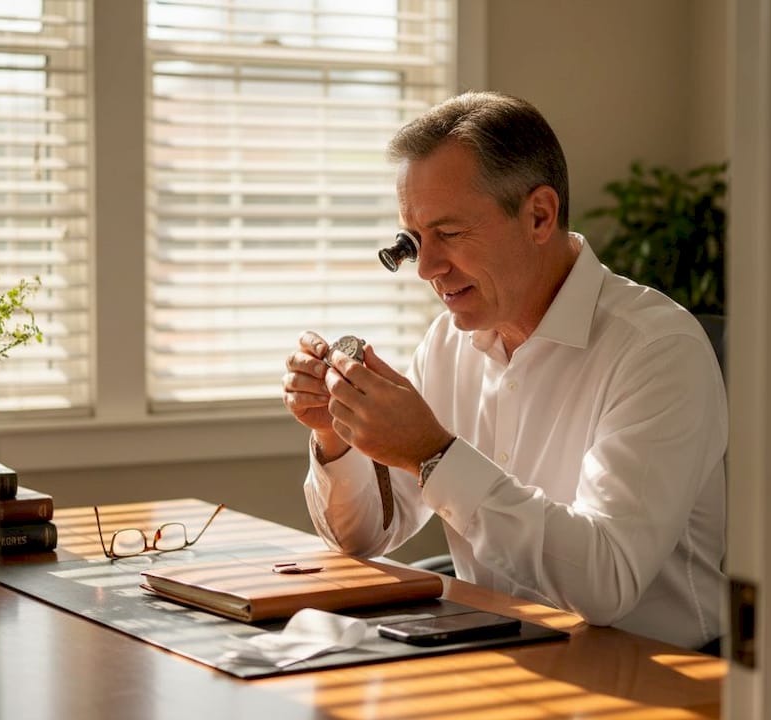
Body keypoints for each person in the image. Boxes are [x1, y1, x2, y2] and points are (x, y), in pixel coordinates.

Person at [280, 90, 727, 651]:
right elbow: (365, 538)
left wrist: (433, 455)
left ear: (540, 215)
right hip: (494, 658)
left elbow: (606, 584)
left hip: (651, 673)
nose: (428, 270)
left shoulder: (657, 350)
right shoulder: (447, 342)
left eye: (450, 234)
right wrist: (334, 431)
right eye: (416, 242)